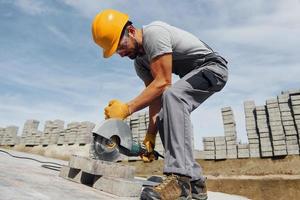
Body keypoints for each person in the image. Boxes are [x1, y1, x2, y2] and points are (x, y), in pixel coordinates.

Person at [92, 9, 228, 200]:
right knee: (166, 113)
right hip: (193, 76)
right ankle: (196, 184)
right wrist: (151, 135)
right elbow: (155, 96)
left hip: (213, 68)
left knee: (173, 96)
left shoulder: (154, 34)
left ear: (131, 31)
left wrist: (127, 108)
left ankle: (179, 179)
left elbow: (164, 82)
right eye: (116, 51)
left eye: (120, 46)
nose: (121, 54)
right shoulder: (140, 63)